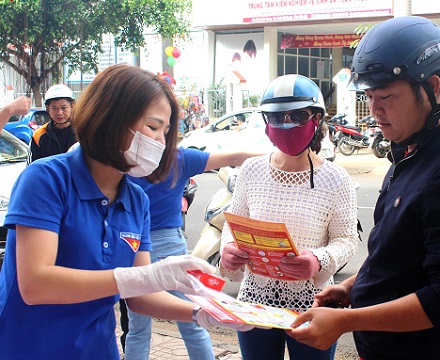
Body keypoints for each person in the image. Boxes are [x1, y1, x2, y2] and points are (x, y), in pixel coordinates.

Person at [0, 64, 253, 359]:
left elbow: (139, 297)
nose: (160, 142)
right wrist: (147, 276)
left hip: (97, 348)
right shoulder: (46, 180)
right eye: (153, 127)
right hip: (30, 347)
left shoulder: (135, 199)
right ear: (111, 119)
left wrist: (202, 313)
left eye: (166, 131)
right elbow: (36, 284)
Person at [287, 16, 440, 360]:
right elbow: (396, 253)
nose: (374, 110)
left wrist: (344, 323)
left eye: (386, 95)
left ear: (432, 87)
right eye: (369, 96)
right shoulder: (412, 150)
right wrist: (348, 287)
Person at [219, 74, 360, 360]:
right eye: (276, 117)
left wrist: (318, 261)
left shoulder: (336, 179)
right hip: (255, 301)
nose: (285, 124)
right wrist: (228, 251)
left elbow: (347, 240)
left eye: (297, 116)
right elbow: (232, 227)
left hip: (313, 303)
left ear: (317, 120)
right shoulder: (251, 170)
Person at [124, 147, 262, 360]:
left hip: (133, 245)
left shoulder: (125, 157)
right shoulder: (179, 157)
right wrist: (280, 158)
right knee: (194, 321)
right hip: (171, 246)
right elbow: (234, 156)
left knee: (138, 328)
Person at [28, 84, 77, 164]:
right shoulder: (39, 135)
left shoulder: (83, 131)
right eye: (54, 108)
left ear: (72, 107)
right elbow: (32, 168)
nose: (59, 113)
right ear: (48, 109)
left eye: (64, 108)